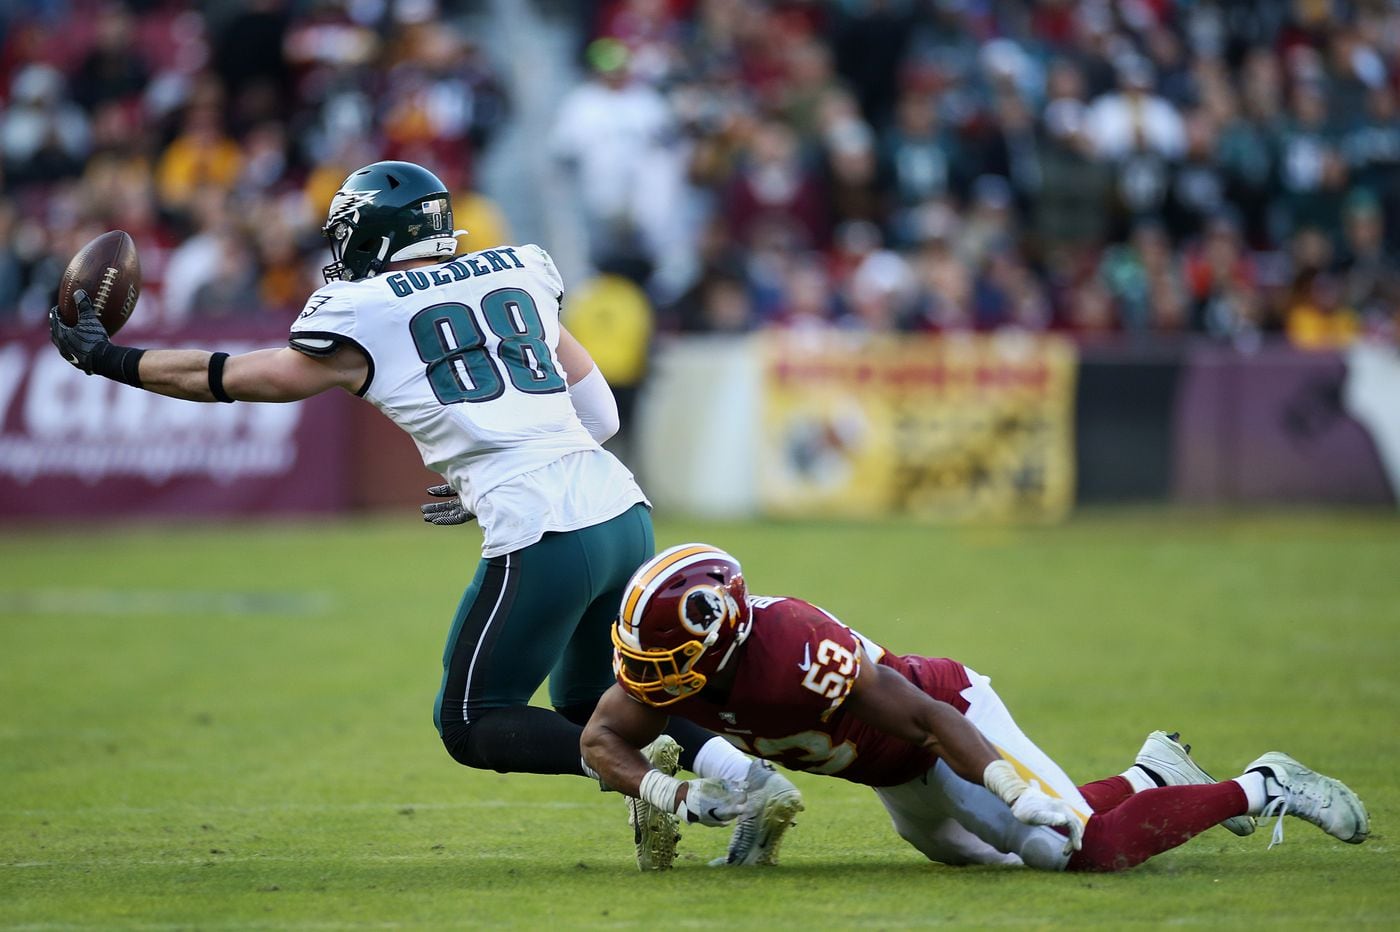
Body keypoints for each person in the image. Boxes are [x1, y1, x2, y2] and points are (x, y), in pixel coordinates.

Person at [47, 160, 797, 870]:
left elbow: (235, 377)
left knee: (471, 720)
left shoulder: (364, 310)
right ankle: (750, 780)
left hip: (544, 530)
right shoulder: (516, 270)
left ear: (374, 235)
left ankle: (673, 793)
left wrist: (109, 359)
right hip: (621, 510)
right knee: (589, 697)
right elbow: (599, 413)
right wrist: (488, 472)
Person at [581, 543, 1370, 870]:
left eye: (666, 661)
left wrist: (1010, 786)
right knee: (1004, 855)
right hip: (891, 775)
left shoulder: (795, 651)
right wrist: (672, 794)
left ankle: (1261, 784)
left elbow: (930, 721)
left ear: (720, 637)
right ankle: (1149, 777)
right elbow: (600, 740)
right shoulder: (687, 675)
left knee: (1072, 851)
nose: (651, 680)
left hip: (946, 722)